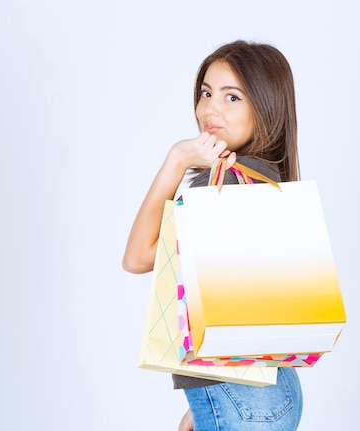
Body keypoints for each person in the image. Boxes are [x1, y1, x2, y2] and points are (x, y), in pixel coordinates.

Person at [122, 40, 303, 431]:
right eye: (206, 92)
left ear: (266, 106)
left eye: (232, 96)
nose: (209, 109)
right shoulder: (269, 178)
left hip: (241, 398)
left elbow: (137, 257)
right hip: (276, 388)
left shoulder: (221, 186)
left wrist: (178, 158)